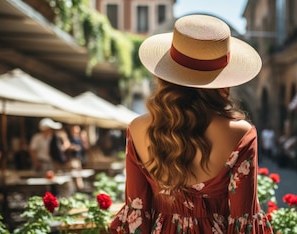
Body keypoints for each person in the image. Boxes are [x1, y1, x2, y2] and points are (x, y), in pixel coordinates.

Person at [110, 15, 272, 233]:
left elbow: (136, 213)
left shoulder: (137, 129)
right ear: (223, 79)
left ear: (167, 73)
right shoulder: (240, 134)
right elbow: (244, 219)